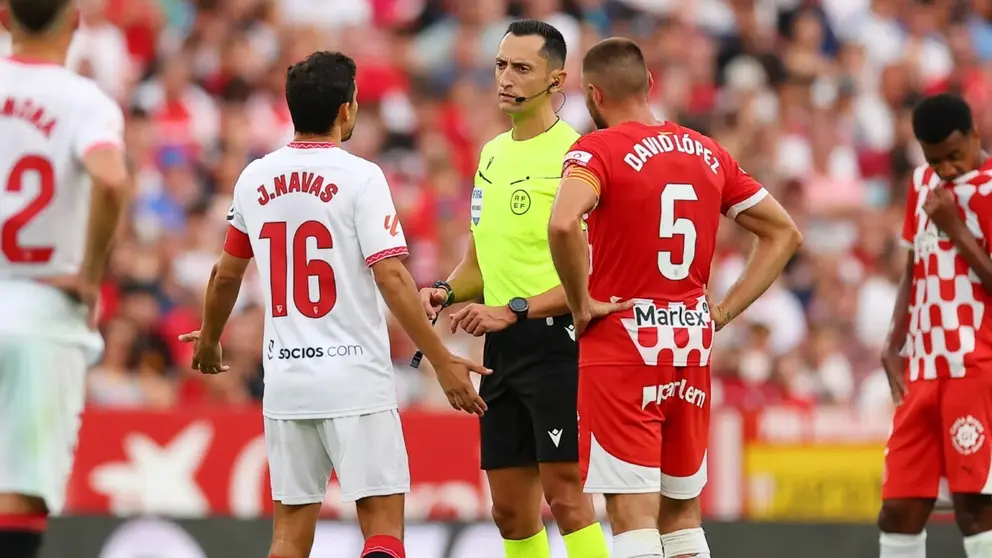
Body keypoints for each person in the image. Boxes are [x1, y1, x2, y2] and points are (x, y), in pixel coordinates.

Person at [179, 51, 489, 558]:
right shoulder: (362, 178)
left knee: (288, 536)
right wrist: (441, 360)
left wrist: (211, 339)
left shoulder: (256, 178)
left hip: (287, 382)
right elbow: (391, 276)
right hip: (355, 379)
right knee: (383, 529)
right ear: (346, 110)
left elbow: (225, 273)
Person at [548, 38, 802, 558]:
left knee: (631, 515)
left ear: (593, 95)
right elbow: (784, 234)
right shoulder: (707, 150)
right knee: (682, 514)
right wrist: (724, 310)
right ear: (650, 86)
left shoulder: (597, 150)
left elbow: (562, 223)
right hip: (690, 344)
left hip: (623, 343)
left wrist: (580, 302)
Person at [418, 20, 618, 558]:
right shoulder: (491, 154)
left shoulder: (580, 156)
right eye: (501, 66)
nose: (506, 78)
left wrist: (515, 309)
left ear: (557, 81)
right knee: (508, 512)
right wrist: (444, 291)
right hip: (501, 350)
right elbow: (479, 265)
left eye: (522, 68)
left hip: (561, 345)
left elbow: (594, 278)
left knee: (567, 497)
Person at [0, 0, 129, 556]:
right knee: (20, 494)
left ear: (4, 17)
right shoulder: (85, 102)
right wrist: (88, 276)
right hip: (42, 308)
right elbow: (111, 180)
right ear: (75, 22)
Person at [878, 93, 992, 558]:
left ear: (975, 137)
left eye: (954, 156)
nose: (945, 169)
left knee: (974, 509)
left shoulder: (988, 190)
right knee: (899, 508)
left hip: (974, 365)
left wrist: (957, 228)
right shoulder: (921, 182)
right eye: (934, 159)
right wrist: (893, 340)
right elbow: (913, 264)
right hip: (922, 369)